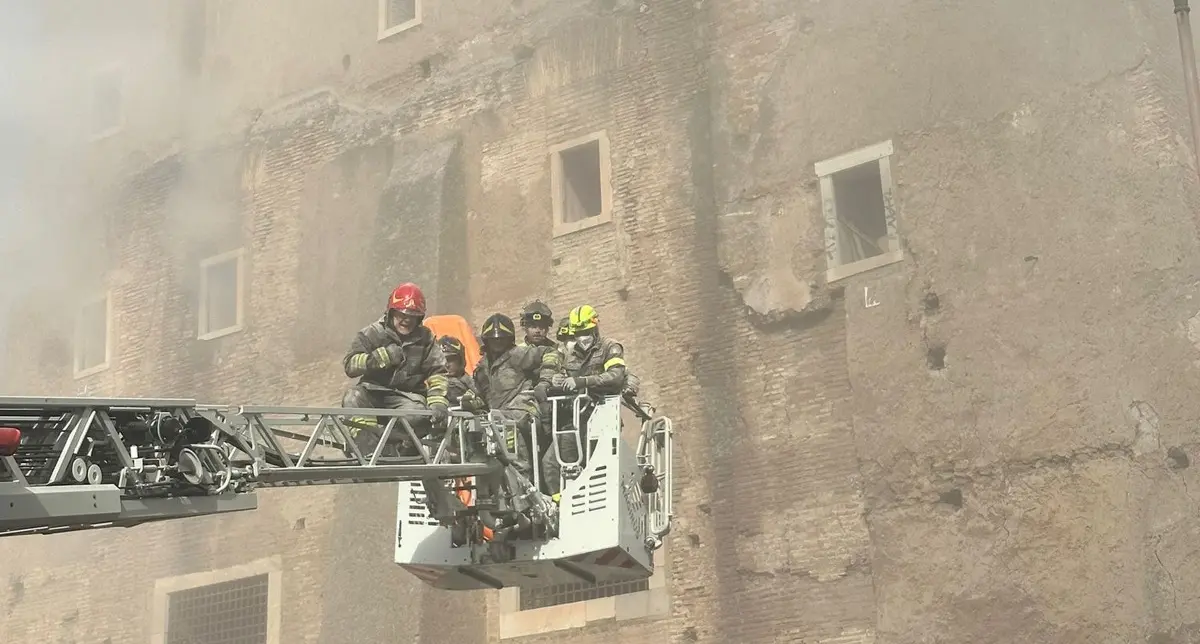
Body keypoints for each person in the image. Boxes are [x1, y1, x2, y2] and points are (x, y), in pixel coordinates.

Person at [341, 282, 450, 456]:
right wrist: (377, 359)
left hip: (406, 398)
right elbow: (350, 365)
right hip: (372, 393)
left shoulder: (426, 338)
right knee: (353, 398)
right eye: (402, 314)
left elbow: (437, 371)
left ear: (419, 318)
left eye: (413, 316)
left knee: (419, 415)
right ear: (391, 312)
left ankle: (400, 447)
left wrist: (438, 402)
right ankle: (369, 450)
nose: (407, 320)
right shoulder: (372, 333)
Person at [459, 313, 560, 479]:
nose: (497, 343)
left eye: (502, 339)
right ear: (486, 340)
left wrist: (545, 382)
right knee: (469, 424)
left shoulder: (518, 354)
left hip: (522, 412)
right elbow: (481, 394)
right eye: (493, 339)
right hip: (496, 418)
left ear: (509, 339)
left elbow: (550, 353)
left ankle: (523, 484)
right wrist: (468, 401)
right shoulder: (482, 367)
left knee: (507, 428)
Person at [438, 335, 476, 407]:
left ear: (461, 360)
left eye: (450, 360)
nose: (446, 365)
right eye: (441, 360)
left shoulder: (476, 382)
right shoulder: (436, 385)